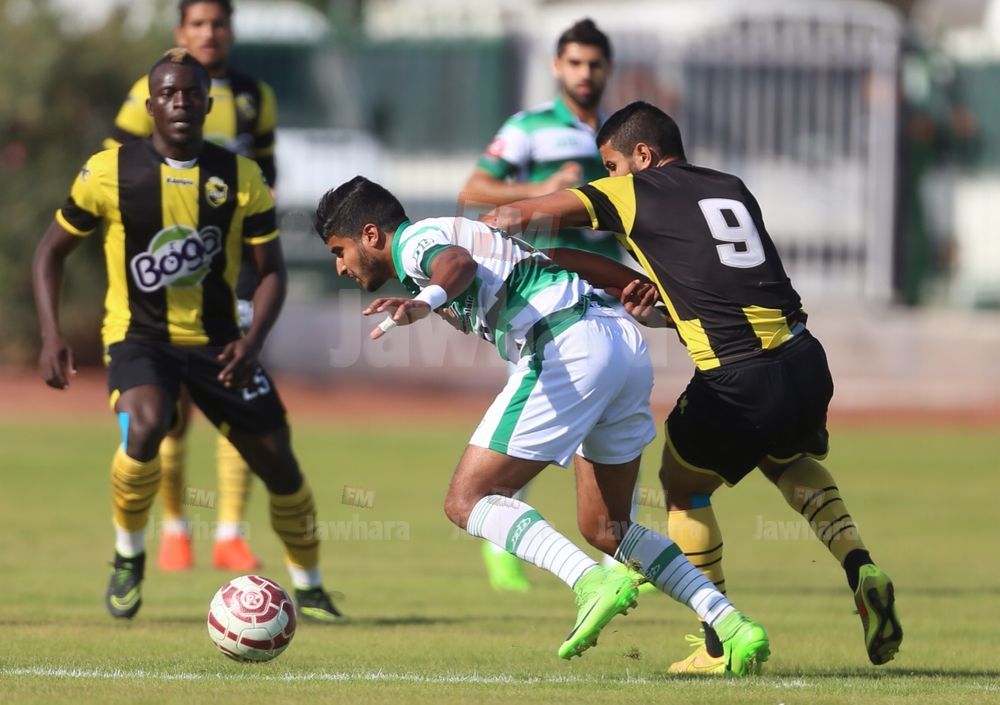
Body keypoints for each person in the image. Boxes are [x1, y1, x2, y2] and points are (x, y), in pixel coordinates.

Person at [484, 101, 903, 672]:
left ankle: (716, 642)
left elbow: (528, 214)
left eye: (611, 165)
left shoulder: (636, 190)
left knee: (682, 488)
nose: (608, 177)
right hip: (803, 357)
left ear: (643, 155)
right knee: (786, 461)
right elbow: (719, 281)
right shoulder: (730, 187)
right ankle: (861, 567)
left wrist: (483, 230)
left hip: (737, 376)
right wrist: (659, 313)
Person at [312, 175, 770, 673]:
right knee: (607, 527)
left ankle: (589, 581)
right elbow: (560, 257)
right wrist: (643, 291)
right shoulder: (463, 235)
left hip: (567, 346)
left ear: (371, 235)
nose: (340, 266)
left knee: (466, 500)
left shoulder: (415, 242)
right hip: (620, 344)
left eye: (339, 251)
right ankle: (731, 625)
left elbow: (457, 265)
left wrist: (425, 302)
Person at [32, 49, 342, 624]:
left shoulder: (240, 176)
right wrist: (50, 334)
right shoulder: (108, 172)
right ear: (150, 105)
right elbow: (51, 251)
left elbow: (272, 272)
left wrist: (251, 343)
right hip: (138, 337)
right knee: (147, 425)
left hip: (220, 343)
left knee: (280, 465)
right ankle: (129, 555)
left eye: (191, 93)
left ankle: (312, 587)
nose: (180, 102)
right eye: (168, 94)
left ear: (206, 102)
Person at [103, 0, 280, 573]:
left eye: (218, 23)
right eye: (198, 24)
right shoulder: (147, 90)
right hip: (167, 267)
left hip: (236, 267)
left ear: (231, 31)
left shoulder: (255, 96)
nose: (209, 33)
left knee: (235, 386)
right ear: (181, 30)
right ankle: (175, 526)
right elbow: (116, 166)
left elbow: (267, 173)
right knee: (169, 408)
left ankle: (229, 532)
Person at [462, 18, 627, 592]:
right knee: (534, 422)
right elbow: (474, 190)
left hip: (606, 291)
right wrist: (542, 190)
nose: (585, 73)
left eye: (594, 64)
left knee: (610, 423)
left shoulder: (619, 132)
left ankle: (616, 555)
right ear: (557, 67)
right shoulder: (529, 127)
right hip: (542, 295)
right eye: (575, 62)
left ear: (607, 68)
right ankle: (501, 537)